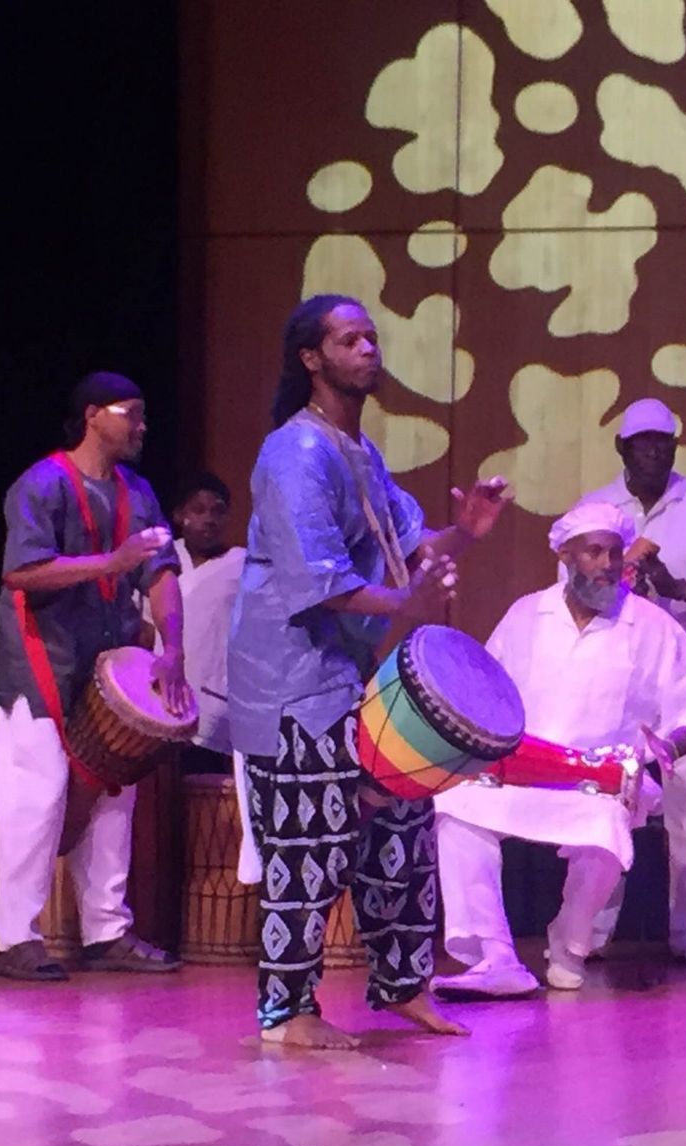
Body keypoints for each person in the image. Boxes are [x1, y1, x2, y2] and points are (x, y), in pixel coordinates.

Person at [227, 293, 512, 1051]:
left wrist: (466, 534)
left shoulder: (359, 452)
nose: (368, 349)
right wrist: (406, 605)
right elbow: (318, 580)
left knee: (400, 834)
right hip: (293, 686)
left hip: (351, 683)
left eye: (371, 337)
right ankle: (286, 1013)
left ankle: (403, 986)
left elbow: (414, 552)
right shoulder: (293, 454)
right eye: (349, 339)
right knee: (309, 850)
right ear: (311, 359)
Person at [433, 501, 686, 997]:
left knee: (607, 827)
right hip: (522, 771)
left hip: (598, 784)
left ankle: (569, 943)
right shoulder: (527, 614)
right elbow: (491, 689)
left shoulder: (649, 625)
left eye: (614, 552)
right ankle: (495, 955)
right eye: (594, 552)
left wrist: (667, 748)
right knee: (454, 804)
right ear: (565, 556)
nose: (608, 563)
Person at [0, 372, 191, 982]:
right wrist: (110, 562)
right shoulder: (41, 484)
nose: (141, 425)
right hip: (41, 667)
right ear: (92, 415)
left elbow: (159, 574)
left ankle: (107, 931)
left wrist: (174, 646)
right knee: (36, 798)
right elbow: (22, 573)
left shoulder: (139, 491)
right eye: (131, 412)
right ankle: (15, 938)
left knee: (112, 794)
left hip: (108, 667)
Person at [574, 400, 686, 967]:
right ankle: (590, 930)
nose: (655, 450)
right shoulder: (596, 509)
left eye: (664, 441)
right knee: (607, 805)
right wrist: (617, 578)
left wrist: (674, 586)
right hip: (617, 683)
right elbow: (570, 592)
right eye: (643, 441)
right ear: (622, 448)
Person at [164, 473, 245, 766]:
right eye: (199, 510)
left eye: (218, 511)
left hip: (213, 703)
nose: (209, 519)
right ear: (179, 515)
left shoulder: (242, 564)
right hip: (160, 697)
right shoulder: (163, 560)